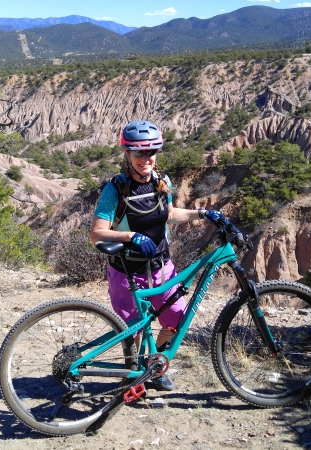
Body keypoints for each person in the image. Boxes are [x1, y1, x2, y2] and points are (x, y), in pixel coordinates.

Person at [89, 120, 221, 391]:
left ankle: (154, 364)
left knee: (177, 319)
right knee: (134, 330)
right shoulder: (115, 190)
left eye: (151, 152)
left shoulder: (163, 182)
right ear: (128, 154)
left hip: (162, 269)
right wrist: (130, 236)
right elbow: (97, 233)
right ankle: (134, 373)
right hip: (127, 272)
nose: (145, 158)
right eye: (139, 153)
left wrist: (203, 213)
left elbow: (171, 214)